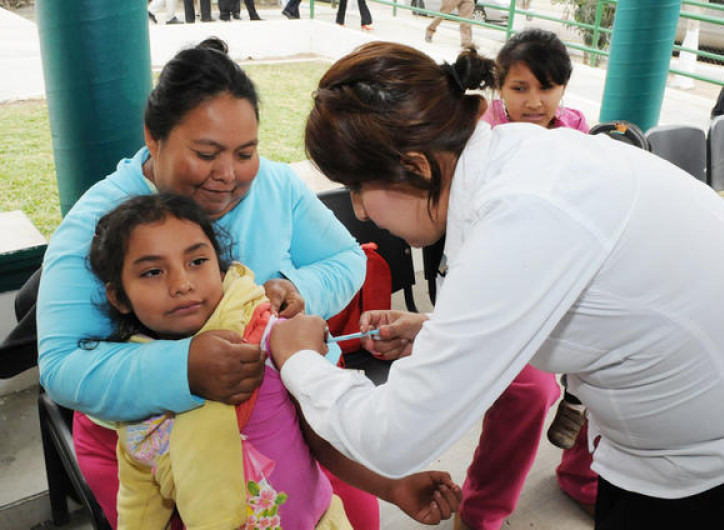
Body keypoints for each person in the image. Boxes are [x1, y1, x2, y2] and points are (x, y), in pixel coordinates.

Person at [272, 41, 724, 529]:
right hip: (677, 444)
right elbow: (565, 298)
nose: (358, 210)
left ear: (416, 167)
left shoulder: (526, 209)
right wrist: (436, 330)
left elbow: (394, 437)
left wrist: (299, 360)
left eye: (358, 187)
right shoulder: (515, 162)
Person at [36, 37, 370, 528]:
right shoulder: (97, 221)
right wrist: (184, 368)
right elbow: (62, 365)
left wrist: (297, 290)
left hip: (288, 416)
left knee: (356, 514)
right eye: (206, 152)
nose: (228, 176)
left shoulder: (275, 186)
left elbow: (345, 258)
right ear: (154, 137)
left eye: (246, 152)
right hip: (150, 451)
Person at [87, 193, 461, 528]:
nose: (182, 283)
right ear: (119, 296)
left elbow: (324, 438)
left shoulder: (268, 339)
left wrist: (394, 486)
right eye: (153, 271)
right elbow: (139, 497)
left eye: (198, 261)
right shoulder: (132, 384)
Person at [448, 28, 596, 529]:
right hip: (499, 295)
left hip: (567, 287)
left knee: (609, 364)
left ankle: (583, 474)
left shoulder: (577, 131)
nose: (534, 101)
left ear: (563, 89)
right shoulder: (480, 142)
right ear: (498, 90)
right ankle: (481, 509)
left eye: (547, 87)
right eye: (519, 88)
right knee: (530, 392)